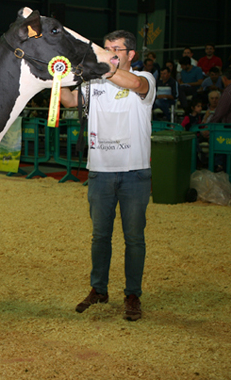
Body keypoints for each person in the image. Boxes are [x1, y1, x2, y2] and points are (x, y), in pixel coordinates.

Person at [60, 30, 156, 322]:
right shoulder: (94, 81)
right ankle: (98, 289)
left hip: (135, 171)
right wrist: (55, 78)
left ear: (131, 54)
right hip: (100, 171)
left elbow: (136, 84)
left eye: (117, 49)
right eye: (106, 48)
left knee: (134, 238)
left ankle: (132, 294)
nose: (110, 53)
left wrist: (104, 68)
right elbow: (69, 101)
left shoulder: (145, 78)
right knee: (100, 236)